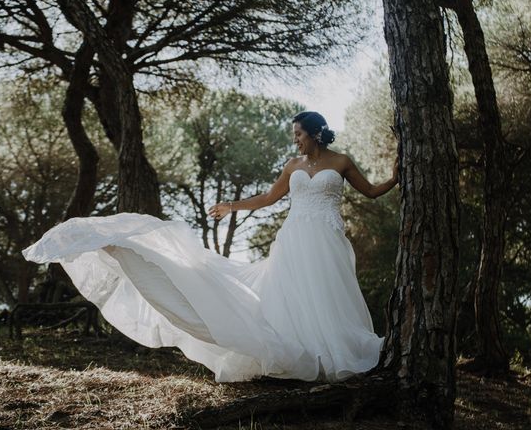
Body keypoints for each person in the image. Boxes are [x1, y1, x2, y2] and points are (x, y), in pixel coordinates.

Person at [23, 111, 399, 383]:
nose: (295, 139)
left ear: (316, 132)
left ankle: (336, 352)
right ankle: (308, 354)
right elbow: (269, 199)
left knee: (328, 294)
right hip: (296, 239)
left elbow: (372, 192)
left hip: (329, 240)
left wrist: (396, 177)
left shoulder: (342, 162)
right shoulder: (291, 165)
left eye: (299, 133)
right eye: (294, 135)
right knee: (295, 296)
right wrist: (232, 206)